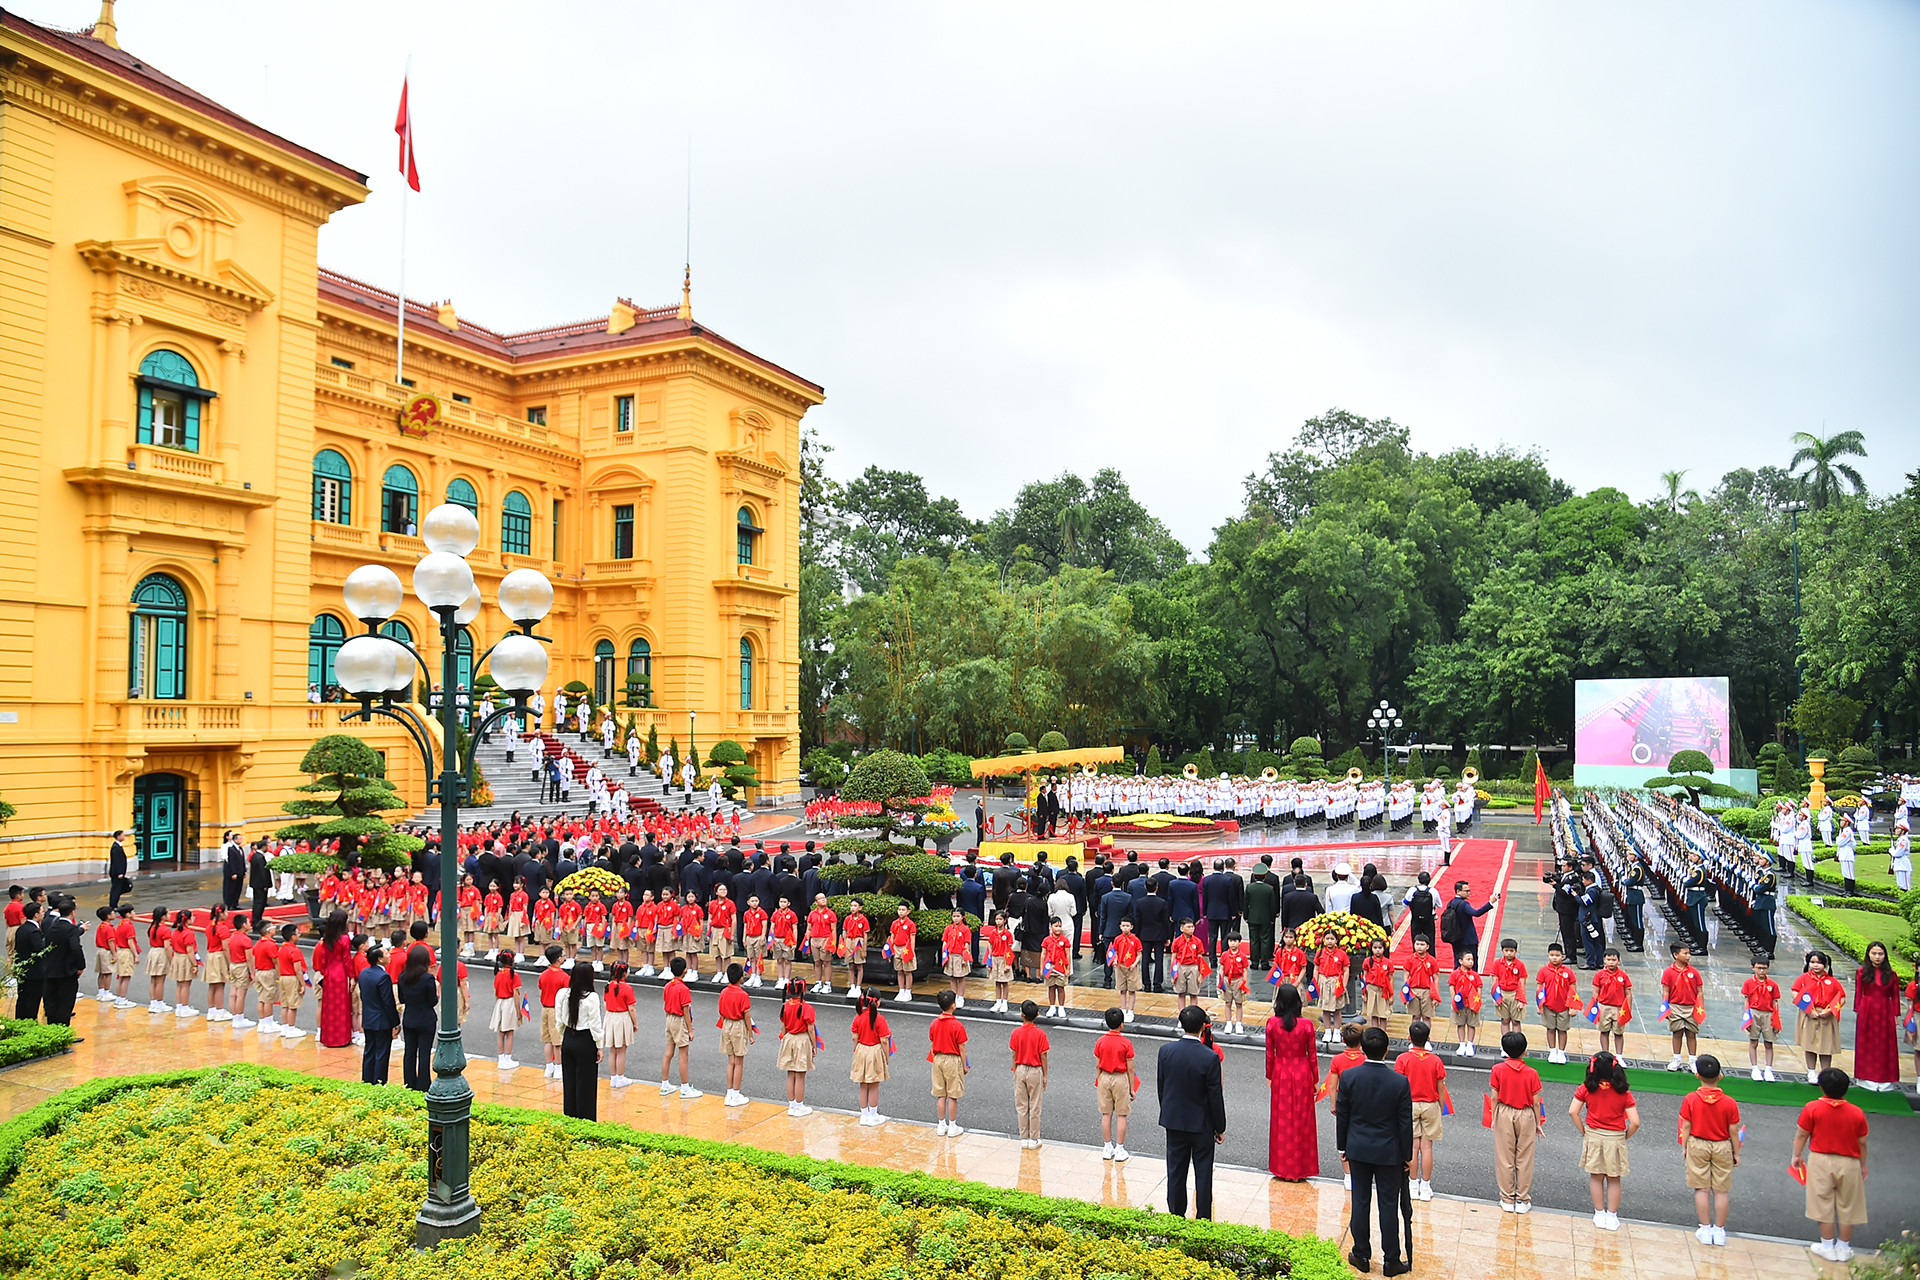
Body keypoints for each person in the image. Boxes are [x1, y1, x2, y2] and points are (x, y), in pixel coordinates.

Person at [1336, 1026, 1413, 1276]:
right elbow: (1404, 1123)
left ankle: (1361, 1254)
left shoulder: (1349, 1077)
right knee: (1388, 1205)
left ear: (1362, 1048)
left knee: (1360, 1201)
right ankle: (1391, 1259)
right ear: (1387, 1051)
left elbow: (1343, 1115)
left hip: (1358, 1148)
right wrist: (1406, 1155)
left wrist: (1342, 1146)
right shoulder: (1400, 1082)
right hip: (1389, 1152)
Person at [1792, 1067, 1870, 1262]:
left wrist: (1797, 1154)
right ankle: (1844, 1247)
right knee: (1848, 1205)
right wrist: (1862, 1164)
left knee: (1823, 1203)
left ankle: (1827, 1245)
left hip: (1821, 1159)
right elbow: (1862, 1142)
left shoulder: (1812, 1108)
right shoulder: (1857, 1113)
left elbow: (1802, 1134)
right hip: (1850, 1161)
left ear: (1822, 1087)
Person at [1157, 1005, 1228, 1219]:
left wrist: (1168, 1111)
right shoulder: (1209, 1057)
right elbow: (1215, 1096)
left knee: (1176, 1172)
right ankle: (1203, 1218)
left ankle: (1176, 1214)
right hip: (1202, 1124)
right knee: (1203, 1173)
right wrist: (1220, 1127)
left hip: (1174, 1120)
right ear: (1202, 1028)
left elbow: (1162, 1087)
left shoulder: (1166, 1051)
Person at [1569, 1050, 1639, 1232]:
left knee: (1596, 1176)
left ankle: (1599, 1213)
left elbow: (1573, 1111)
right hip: (1615, 1137)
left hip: (1593, 1134)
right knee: (1614, 1179)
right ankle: (1612, 1216)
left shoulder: (1586, 1088)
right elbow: (1635, 1122)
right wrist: (1625, 1135)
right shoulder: (1623, 1091)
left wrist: (1583, 1130)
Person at [1678, 1054, 1742, 1247]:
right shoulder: (1729, 1102)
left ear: (1697, 1075)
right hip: (1722, 1145)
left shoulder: (1690, 1099)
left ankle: (1705, 1229)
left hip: (1698, 1143)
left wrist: (1685, 1146)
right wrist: (1736, 1152)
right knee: (1721, 1191)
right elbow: (1733, 1130)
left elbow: (1686, 1125)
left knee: (1702, 1188)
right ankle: (1719, 1231)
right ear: (1720, 1076)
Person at [1263, 982, 1319, 1180]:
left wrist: (1269, 1076)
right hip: (1302, 1071)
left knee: (1282, 1120)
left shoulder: (1272, 1024)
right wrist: (1315, 1079)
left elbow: (1270, 1054)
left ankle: (1283, 1168)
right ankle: (1300, 1169)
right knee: (1302, 1119)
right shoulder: (1307, 1025)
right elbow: (1312, 1055)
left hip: (1281, 1071)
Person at [1488, 1031, 1544, 1213]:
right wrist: (1537, 1123)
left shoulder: (1497, 1070)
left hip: (1504, 1111)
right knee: (1525, 1158)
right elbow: (1536, 1101)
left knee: (1505, 1157)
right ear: (1525, 1051)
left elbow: (1494, 1097)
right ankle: (1522, 1199)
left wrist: (1494, 1117)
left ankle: (1506, 1198)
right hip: (1526, 1114)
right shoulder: (1532, 1073)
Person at [1393, 1021, 1446, 1202]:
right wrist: (1440, 1107)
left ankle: (1412, 1183)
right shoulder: (1436, 1060)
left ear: (1409, 1039)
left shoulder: (1403, 1059)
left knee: (1412, 1146)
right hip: (1430, 1104)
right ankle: (1426, 1185)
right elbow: (1441, 1088)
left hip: (1409, 1104)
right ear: (1428, 1039)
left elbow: (1399, 1085)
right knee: (1427, 1146)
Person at [1853, 941, 1902, 1091]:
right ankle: (1865, 1078)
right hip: (1867, 1010)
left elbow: (1895, 997)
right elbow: (1858, 994)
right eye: (1874, 953)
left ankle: (1885, 1080)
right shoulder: (1862, 972)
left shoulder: (1892, 974)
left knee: (1885, 1044)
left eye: (1880, 954)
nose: (1877, 957)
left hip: (1885, 1010)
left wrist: (1895, 1015)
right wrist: (1859, 1011)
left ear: (1885, 956)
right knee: (1866, 1043)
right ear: (1868, 955)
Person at [559, 959, 604, 1120]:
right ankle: (586, 1120)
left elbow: (559, 1020)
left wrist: (563, 1036)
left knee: (569, 1081)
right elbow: (595, 1024)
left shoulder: (563, 994)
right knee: (586, 1084)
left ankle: (570, 1117)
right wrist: (599, 1046)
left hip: (568, 1038)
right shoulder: (591, 997)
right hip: (585, 1041)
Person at [1792, 950, 1846, 1082]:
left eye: (1819, 963)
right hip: (1809, 1013)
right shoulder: (1804, 978)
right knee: (1809, 1043)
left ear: (1826, 964)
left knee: (1826, 1046)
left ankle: (1825, 1073)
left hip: (1827, 1015)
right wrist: (1809, 1010)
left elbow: (1842, 997)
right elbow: (1795, 992)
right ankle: (1811, 1072)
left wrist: (1829, 1011)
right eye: (1812, 962)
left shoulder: (1832, 981)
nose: (1816, 965)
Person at [1094, 1006, 1137, 1162]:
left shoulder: (1101, 1041)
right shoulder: (1126, 1043)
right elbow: (1130, 1068)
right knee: (1121, 1114)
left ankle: (1107, 1147)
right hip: (1120, 1078)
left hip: (1104, 1077)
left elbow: (1098, 1064)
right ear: (1122, 1024)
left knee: (1106, 1114)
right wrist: (1132, 1089)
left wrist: (1099, 1080)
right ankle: (1119, 1149)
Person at [396, 944, 439, 1091]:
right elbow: (432, 1001)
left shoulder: (402, 977)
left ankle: (409, 1083)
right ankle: (423, 1085)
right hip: (426, 1019)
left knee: (409, 1053)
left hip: (410, 1018)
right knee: (424, 1053)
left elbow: (402, 999)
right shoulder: (427, 978)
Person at [1009, 999, 1051, 1148]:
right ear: (1037, 1014)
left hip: (1020, 1068)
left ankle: (1023, 1137)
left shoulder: (1016, 1032)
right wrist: (1045, 1075)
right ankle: (1034, 1138)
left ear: (1021, 1014)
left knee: (1021, 1104)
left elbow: (1014, 1053)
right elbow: (1043, 1056)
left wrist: (1015, 1069)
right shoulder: (1040, 1034)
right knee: (1035, 1105)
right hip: (1035, 1070)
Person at [659, 956, 702, 1098]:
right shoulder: (683, 989)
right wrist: (690, 1030)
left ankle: (665, 1084)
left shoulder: (668, 986)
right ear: (685, 971)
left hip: (669, 1019)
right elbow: (685, 1011)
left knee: (668, 1052)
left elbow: (666, 1005)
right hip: (679, 1020)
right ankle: (685, 1087)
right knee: (683, 1055)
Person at [356, 944, 398, 1084]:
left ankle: (367, 1080)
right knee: (381, 1053)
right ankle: (379, 1082)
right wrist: (395, 1022)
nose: (389, 955)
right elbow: (388, 1002)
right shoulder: (383, 976)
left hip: (368, 1018)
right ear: (379, 959)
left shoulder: (364, 973)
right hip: (381, 1021)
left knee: (369, 1051)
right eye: (386, 953)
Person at [849, 991, 892, 1126]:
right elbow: (884, 1040)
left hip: (861, 1048)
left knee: (863, 1084)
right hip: (874, 1050)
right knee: (874, 1084)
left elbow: (854, 1036)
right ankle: (873, 1115)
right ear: (877, 1002)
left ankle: (864, 1114)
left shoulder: (858, 1017)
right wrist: (886, 1056)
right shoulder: (879, 1019)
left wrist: (857, 1048)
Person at [778, 978, 819, 1116]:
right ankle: (799, 1106)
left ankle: (792, 1105)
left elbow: (783, 1026)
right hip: (802, 1040)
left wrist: (783, 1040)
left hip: (789, 1038)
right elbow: (811, 1029)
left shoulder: (786, 1006)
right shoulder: (807, 1008)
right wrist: (814, 1045)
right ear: (803, 990)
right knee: (800, 1075)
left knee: (790, 1073)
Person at [315, 909, 355, 1049]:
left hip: (329, 974)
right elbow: (346, 960)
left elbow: (323, 960)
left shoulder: (327, 938)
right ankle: (341, 1038)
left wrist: (324, 972)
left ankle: (328, 1038)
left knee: (329, 1006)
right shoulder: (344, 939)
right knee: (342, 1006)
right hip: (341, 974)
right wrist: (352, 977)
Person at [718, 963, 754, 1106]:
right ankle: (736, 1093)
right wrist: (750, 1034)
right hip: (738, 1025)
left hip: (726, 1024)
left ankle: (729, 1093)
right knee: (739, 1062)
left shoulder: (724, 992)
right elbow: (746, 1016)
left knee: (731, 1061)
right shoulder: (743, 995)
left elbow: (720, 1011)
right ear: (741, 979)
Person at [1439, 879, 1498, 968]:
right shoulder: (1463, 904)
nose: (1469, 893)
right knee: (1472, 963)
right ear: (1458, 891)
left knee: (1458, 961)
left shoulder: (1451, 903)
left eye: (1469, 891)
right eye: (1466, 891)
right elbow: (1476, 913)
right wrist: (1490, 903)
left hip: (1455, 937)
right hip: (1468, 939)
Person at [603, 962, 638, 1088]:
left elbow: (605, 1003)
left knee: (613, 1050)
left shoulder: (608, 986)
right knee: (622, 1050)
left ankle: (613, 1078)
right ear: (624, 973)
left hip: (610, 1017)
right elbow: (631, 1008)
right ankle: (620, 1077)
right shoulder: (627, 988)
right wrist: (635, 1023)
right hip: (622, 1018)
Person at [107, 830, 131, 909]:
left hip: (119, 873)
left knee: (119, 888)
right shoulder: (115, 847)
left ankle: (114, 904)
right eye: (123, 835)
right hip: (117, 873)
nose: (124, 837)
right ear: (118, 836)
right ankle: (113, 905)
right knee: (116, 889)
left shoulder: (118, 846)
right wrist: (120, 873)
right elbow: (117, 861)